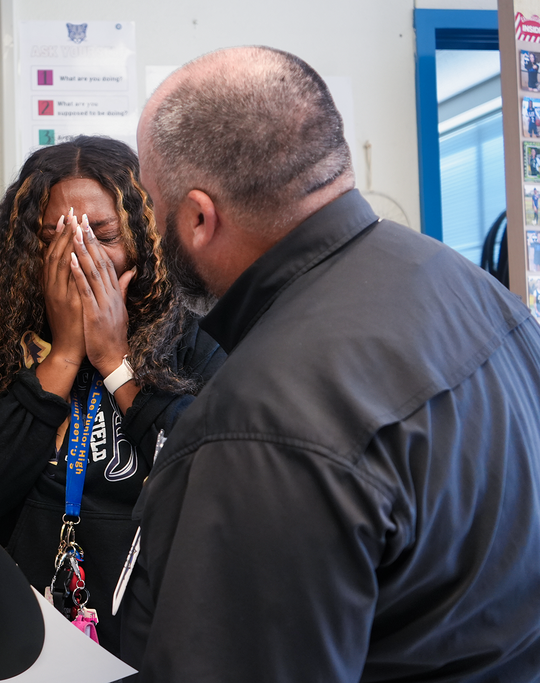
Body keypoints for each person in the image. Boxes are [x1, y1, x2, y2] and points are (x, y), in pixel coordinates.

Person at [123, 45, 540, 681]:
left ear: (200, 217)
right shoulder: (468, 287)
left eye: (151, 207)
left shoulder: (255, 427)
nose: (148, 232)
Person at [0, 136, 225, 656]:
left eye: (104, 234)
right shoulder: (4, 342)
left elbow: (205, 476)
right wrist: (65, 353)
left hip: (151, 639)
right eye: (55, 236)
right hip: (30, 636)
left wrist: (115, 362)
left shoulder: (194, 337)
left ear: (144, 236)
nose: (81, 253)